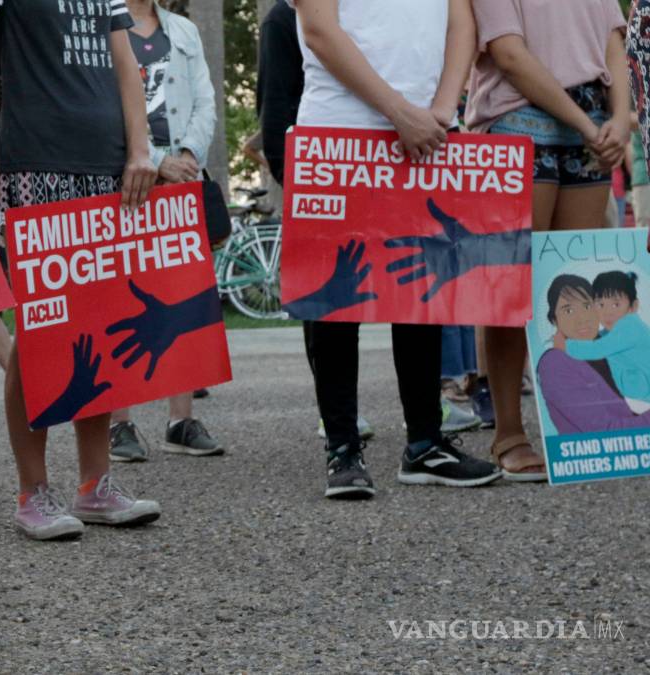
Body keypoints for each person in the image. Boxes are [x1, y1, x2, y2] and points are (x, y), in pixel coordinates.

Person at [0, 0, 163, 541]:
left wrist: (141, 151)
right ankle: (33, 491)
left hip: (108, 169)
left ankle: (95, 484)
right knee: (42, 330)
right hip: (33, 164)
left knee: (98, 324)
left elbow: (126, 68)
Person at [290, 0, 501, 499]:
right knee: (336, 302)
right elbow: (319, 30)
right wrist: (399, 111)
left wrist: (442, 109)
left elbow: (461, 20)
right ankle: (343, 450)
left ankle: (425, 443)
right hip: (339, 127)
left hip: (426, 132)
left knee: (420, 292)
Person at [467, 0, 628, 482]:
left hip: (593, 123)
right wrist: (589, 124)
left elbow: (614, 42)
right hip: (517, 120)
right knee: (512, 286)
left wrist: (621, 118)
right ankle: (509, 434)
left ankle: (578, 429)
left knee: (577, 283)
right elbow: (508, 54)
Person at [107, 0, 222, 462]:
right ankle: (118, 423)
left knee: (183, 291)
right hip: (123, 178)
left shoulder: (183, 31)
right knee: (120, 295)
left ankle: (181, 420)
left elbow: (205, 101)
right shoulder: (101, 24)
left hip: (181, 181)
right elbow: (101, 102)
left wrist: (189, 154)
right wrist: (156, 161)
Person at [258, 0, 377, 443]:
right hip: (318, 170)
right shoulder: (282, 18)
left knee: (393, 295)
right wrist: (291, 174)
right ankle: (338, 418)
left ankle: (425, 422)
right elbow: (275, 101)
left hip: (377, 164)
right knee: (327, 304)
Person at [537, 274, 650, 434]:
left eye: (587, 306)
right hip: (611, 447)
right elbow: (605, 431)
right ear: (554, 320)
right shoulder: (556, 363)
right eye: (568, 310)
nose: (582, 318)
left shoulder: (614, 342)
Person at [557, 271, 650, 401]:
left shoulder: (630, 326)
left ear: (633, 307)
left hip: (643, 388)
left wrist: (566, 346)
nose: (607, 312)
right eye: (600, 305)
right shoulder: (615, 330)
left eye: (616, 305)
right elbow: (600, 339)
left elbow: (597, 349)